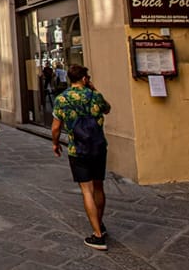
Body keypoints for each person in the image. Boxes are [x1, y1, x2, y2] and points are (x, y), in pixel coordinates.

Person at [52, 64, 113, 251]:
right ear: (85, 78)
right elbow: (107, 109)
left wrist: (55, 143)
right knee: (98, 186)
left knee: (86, 190)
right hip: (98, 146)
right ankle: (100, 224)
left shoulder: (62, 99)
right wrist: (93, 89)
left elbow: (55, 127)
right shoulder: (94, 96)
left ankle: (97, 235)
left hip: (77, 148)